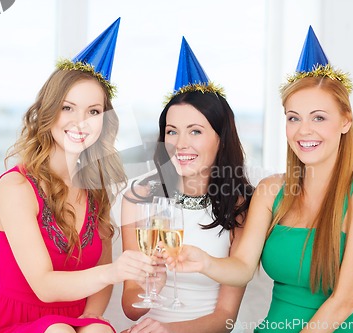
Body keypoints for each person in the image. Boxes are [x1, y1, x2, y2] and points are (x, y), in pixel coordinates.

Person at [168, 26, 353, 332]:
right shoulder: (272, 190)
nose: (303, 130)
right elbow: (243, 267)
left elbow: (343, 302)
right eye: (293, 117)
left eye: (319, 117)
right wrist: (205, 262)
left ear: (345, 121)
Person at [0, 18, 154, 333]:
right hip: (19, 324)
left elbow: (99, 279)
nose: (80, 122)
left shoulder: (95, 190)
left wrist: (90, 319)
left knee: (98, 330)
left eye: (93, 111)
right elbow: (44, 285)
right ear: (49, 111)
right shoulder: (16, 188)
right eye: (68, 108)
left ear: (104, 121)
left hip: (73, 324)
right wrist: (115, 272)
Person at [120, 37, 254, 333]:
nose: (180, 144)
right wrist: (150, 284)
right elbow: (130, 307)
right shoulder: (139, 196)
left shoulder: (240, 204)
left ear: (221, 138)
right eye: (172, 131)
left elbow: (226, 318)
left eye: (195, 131)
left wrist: (169, 332)